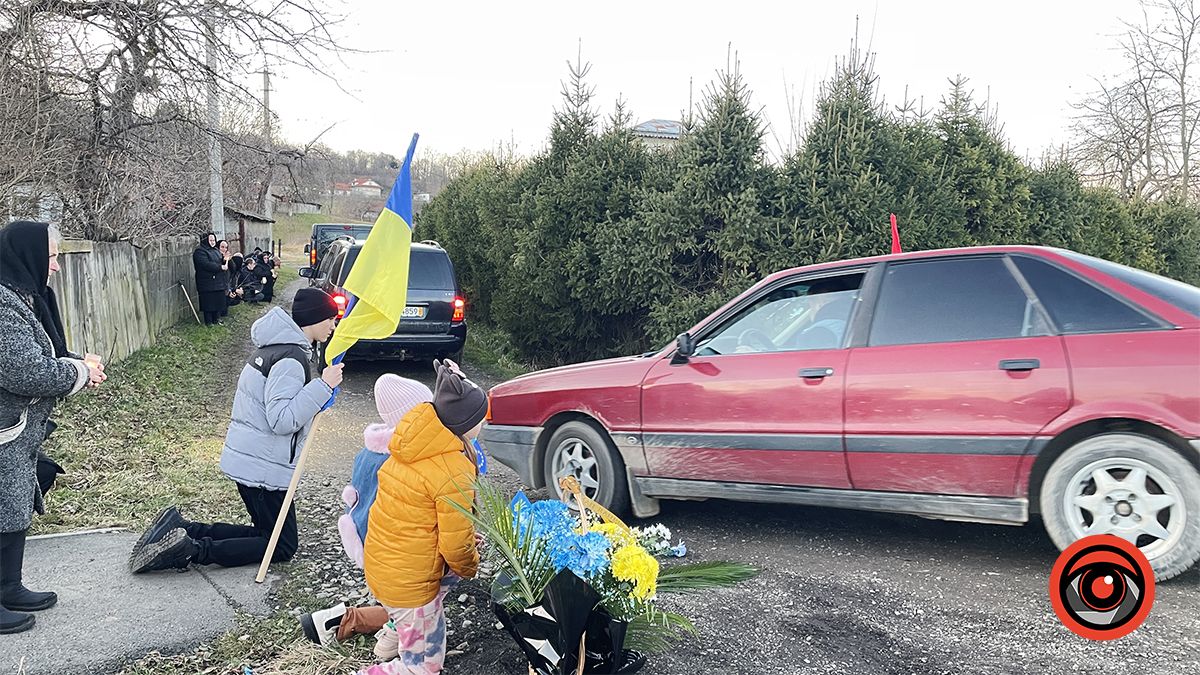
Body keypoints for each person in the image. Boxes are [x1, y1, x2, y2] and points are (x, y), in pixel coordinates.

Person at [127, 289, 345, 573]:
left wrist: (317, 395)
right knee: (281, 546)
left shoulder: (275, 348)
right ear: (314, 319)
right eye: (330, 319)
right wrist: (323, 386)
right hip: (264, 468)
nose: (333, 326)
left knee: (267, 535)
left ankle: (184, 530)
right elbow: (281, 420)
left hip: (255, 460)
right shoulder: (290, 359)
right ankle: (190, 550)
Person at [0, 221, 106, 634]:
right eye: (52, 257)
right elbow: (25, 371)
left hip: (15, 431)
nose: (57, 266)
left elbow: (44, 354)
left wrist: (80, 363)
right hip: (7, 429)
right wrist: (78, 371)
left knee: (13, 505)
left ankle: (9, 587)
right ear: (27, 255)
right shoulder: (3, 305)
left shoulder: (22, 296)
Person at [359, 359, 486, 674]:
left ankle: (395, 636)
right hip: (409, 586)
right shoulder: (452, 468)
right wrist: (470, 565)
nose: (485, 422)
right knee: (424, 669)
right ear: (466, 423)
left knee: (447, 575)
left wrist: (463, 546)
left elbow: (421, 520)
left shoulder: (415, 443)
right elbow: (456, 548)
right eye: (482, 417)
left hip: (386, 567)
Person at [299, 374, 434, 648]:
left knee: (405, 603)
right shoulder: (401, 458)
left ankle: (342, 619)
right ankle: (346, 622)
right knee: (417, 607)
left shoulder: (370, 451)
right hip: (390, 547)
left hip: (366, 537)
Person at [192, 232, 229, 326]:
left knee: (218, 302)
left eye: (214, 240)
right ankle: (208, 322)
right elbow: (206, 264)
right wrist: (220, 267)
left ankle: (216, 319)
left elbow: (219, 261)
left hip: (218, 281)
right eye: (211, 240)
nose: (213, 242)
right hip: (206, 282)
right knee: (208, 303)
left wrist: (224, 260)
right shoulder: (200, 252)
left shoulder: (216, 250)